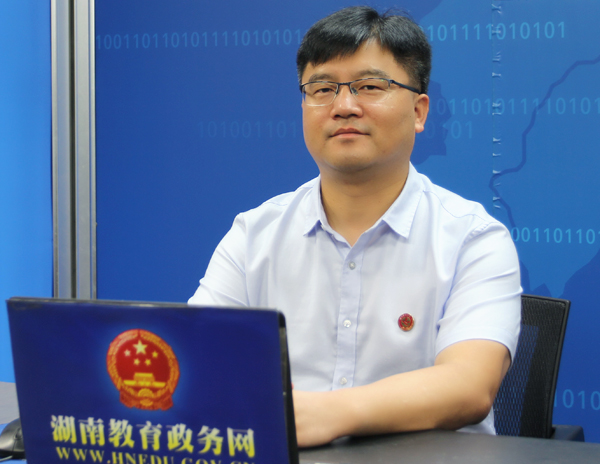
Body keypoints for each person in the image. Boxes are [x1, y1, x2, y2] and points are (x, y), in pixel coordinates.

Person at [189, 6, 521, 447]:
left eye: (369, 87)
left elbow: (468, 386)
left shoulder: (473, 239)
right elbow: (198, 360)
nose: (344, 106)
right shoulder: (254, 235)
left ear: (419, 111)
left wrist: (322, 416)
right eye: (322, 89)